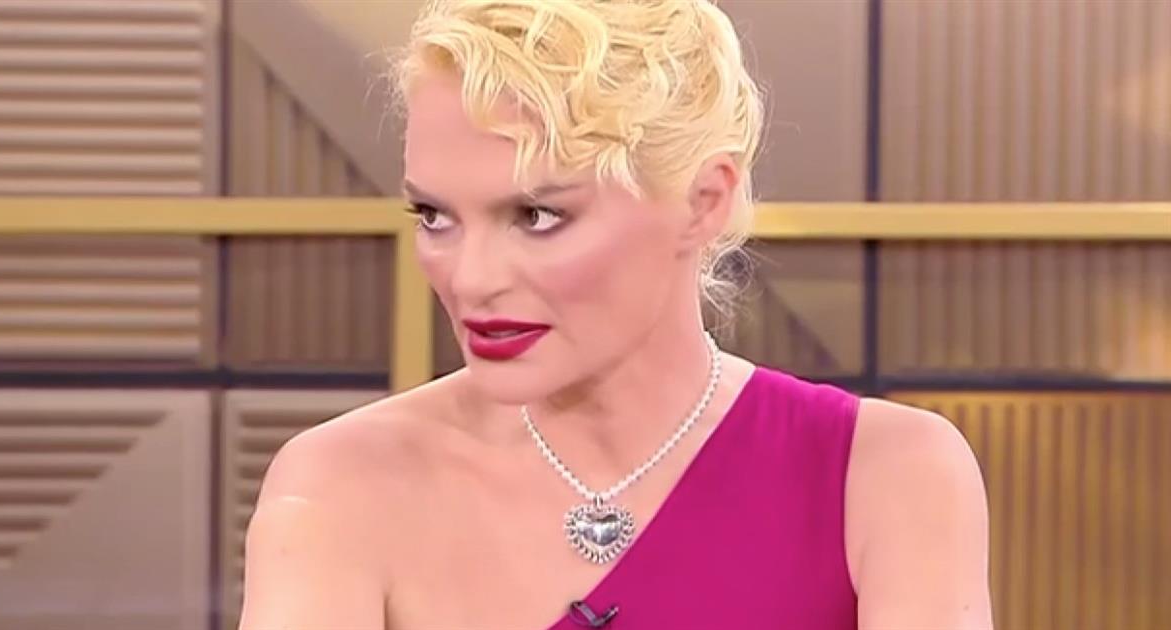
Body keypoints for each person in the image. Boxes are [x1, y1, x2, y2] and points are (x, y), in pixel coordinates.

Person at [238, 1, 993, 628]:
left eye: (536, 215)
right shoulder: (342, 486)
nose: (470, 279)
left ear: (703, 202)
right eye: (435, 216)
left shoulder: (887, 476)